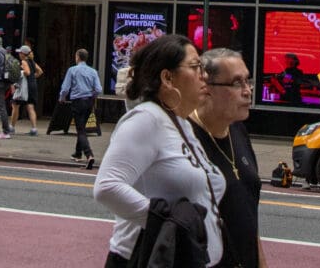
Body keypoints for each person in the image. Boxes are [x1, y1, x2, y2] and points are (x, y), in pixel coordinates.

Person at [94, 34, 227, 268]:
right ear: (167, 77)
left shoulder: (181, 123)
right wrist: (170, 223)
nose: (203, 75)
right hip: (146, 258)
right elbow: (107, 186)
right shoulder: (146, 119)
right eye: (195, 67)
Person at [191, 48, 263, 268]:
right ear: (206, 88)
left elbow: (249, 218)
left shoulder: (238, 131)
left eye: (247, 81)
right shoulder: (184, 138)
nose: (247, 90)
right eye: (236, 83)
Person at [60, 47, 101, 165]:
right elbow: (98, 89)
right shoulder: (93, 71)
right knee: (82, 126)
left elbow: (65, 88)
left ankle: (89, 154)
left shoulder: (72, 70)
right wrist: (92, 95)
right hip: (89, 101)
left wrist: (62, 98)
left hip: (77, 101)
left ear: (77, 57)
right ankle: (78, 153)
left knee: (81, 129)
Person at [13, 43, 42, 135]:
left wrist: (21, 72)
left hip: (25, 87)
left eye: (20, 52)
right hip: (33, 85)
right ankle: (34, 129)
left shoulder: (24, 62)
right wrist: (33, 77)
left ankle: (11, 127)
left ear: (23, 54)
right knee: (30, 107)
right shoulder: (32, 62)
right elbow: (40, 72)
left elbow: (27, 72)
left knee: (15, 104)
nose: (19, 54)